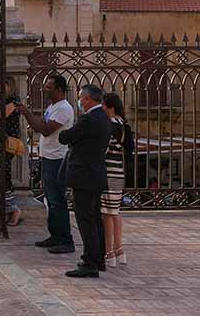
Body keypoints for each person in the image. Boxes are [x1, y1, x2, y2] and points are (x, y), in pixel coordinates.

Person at [18, 74, 76, 253]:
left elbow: (44, 129)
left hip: (57, 159)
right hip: (48, 157)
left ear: (59, 89)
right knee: (50, 200)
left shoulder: (64, 108)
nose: (45, 89)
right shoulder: (53, 106)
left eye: (49, 86)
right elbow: (42, 124)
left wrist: (26, 112)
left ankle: (66, 240)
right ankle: (55, 236)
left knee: (57, 200)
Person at [58, 84, 112, 278]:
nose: (79, 101)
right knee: (95, 219)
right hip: (95, 174)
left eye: (81, 98)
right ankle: (98, 260)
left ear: (88, 99)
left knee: (86, 220)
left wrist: (69, 136)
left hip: (84, 176)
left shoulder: (89, 119)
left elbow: (66, 137)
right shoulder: (105, 118)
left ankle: (90, 262)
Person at [101, 92, 132, 268]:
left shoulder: (110, 124)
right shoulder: (123, 124)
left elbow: (103, 149)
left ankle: (109, 251)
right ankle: (119, 249)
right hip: (118, 172)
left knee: (106, 213)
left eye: (104, 106)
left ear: (109, 107)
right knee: (115, 211)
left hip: (107, 171)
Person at [1, 78, 23, 227]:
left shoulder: (14, 102)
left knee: (3, 175)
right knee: (1, 174)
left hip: (7, 142)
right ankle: (8, 209)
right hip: (1, 141)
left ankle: (14, 210)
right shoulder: (7, 101)